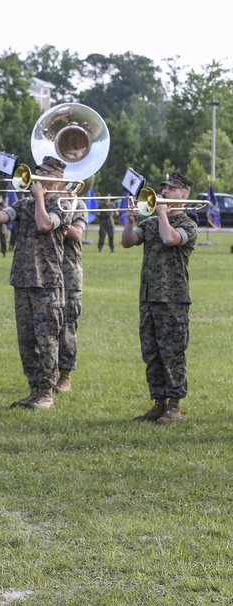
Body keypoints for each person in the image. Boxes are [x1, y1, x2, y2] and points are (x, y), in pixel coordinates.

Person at [0, 156, 70, 409]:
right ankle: (34, 390)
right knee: (26, 341)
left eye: (44, 172)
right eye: (38, 170)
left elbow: (44, 225)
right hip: (22, 279)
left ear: (56, 179)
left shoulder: (62, 204)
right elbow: (1, 218)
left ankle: (47, 393)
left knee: (47, 340)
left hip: (47, 282)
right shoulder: (25, 203)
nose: (37, 175)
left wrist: (40, 198)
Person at [121, 172, 197, 424]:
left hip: (173, 299)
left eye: (171, 189)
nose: (164, 192)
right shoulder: (151, 222)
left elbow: (169, 239)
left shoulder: (188, 224)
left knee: (172, 353)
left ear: (183, 196)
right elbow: (128, 242)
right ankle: (158, 404)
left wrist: (162, 213)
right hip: (149, 297)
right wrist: (131, 221)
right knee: (151, 353)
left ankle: (174, 407)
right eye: (164, 188)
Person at [55, 198, 87, 393]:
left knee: (67, 327)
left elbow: (76, 233)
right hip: (44, 273)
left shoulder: (77, 204)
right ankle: (48, 373)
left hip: (69, 275)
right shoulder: (42, 202)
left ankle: (65, 376)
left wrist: (53, 220)